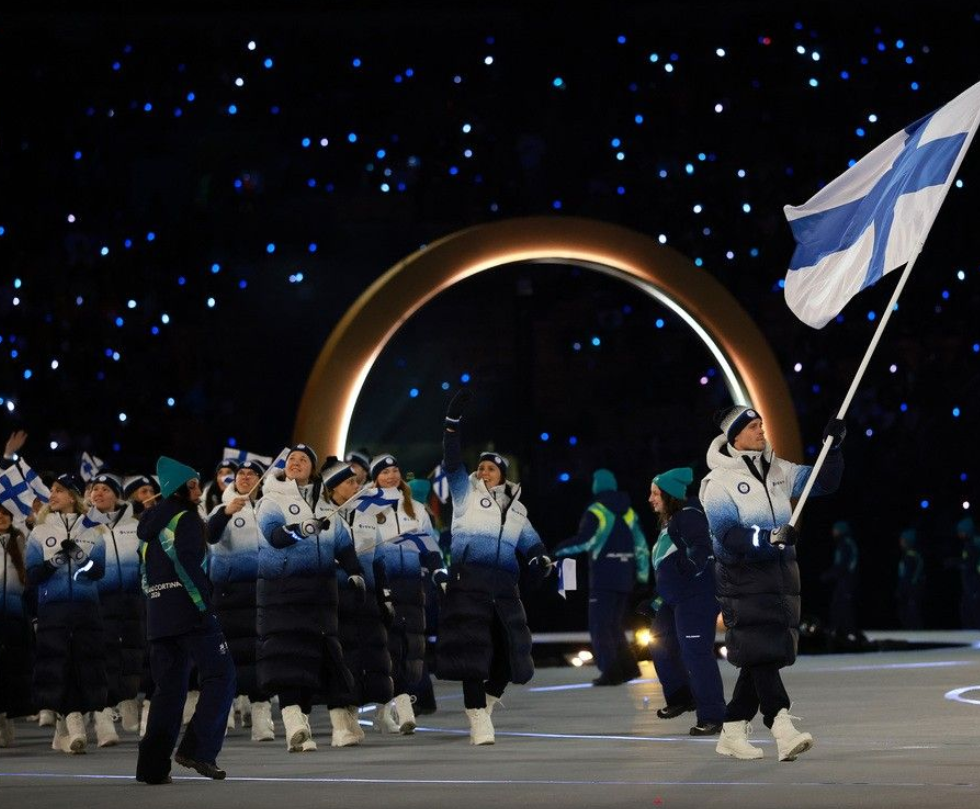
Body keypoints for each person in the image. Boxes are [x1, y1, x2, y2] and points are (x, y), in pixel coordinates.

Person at [700, 405, 845, 761]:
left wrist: (834, 447)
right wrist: (766, 538)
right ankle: (781, 725)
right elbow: (726, 534)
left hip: (781, 576)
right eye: (752, 426)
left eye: (761, 422)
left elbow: (824, 483)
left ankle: (732, 729)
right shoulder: (717, 482)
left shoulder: (780, 470)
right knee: (762, 651)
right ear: (735, 436)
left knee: (762, 653)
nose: (761, 429)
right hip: (742, 578)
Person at [436, 390, 553, 745]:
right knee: (472, 653)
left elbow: (532, 543)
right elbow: (452, 461)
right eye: (481, 466)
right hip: (469, 582)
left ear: (503, 475)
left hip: (504, 589)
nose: (484, 471)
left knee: (510, 653)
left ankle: (484, 703)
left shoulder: (518, 509)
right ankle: (477, 717)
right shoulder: (464, 492)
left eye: (492, 468)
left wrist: (539, 559)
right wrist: (452, 423)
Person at [254, 444, 366, 751]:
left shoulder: (324, 503)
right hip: (283, 595)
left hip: (320, 598)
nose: (296, 462)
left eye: (304, 459)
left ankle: (340, 730)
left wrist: (355, 572)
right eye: (292, 458)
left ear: (312, 469)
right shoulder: (271, 500)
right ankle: (294, 727)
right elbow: (275, 537)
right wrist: (301, 529)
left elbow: (342, 544)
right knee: (289, 661)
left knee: (325, 661)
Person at [136, 456, 236, 784]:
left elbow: (145, 575)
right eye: (192, 484)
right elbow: (188, 566)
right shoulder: (187, 519)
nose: (197, 490)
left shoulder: (149, 527)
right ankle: (198, 749)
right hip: (191, 614)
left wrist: (156, 608)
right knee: (221, 676)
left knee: (169, 690)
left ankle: (152, 768)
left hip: (159, 617)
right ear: (178, 489)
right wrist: (205, 606)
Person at [358, 453, 443, 735]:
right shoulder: (364, 508)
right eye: (384, 472)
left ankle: (385, 712)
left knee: (413, 649)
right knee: (390, 649)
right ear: (375, 478)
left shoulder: (416, 509)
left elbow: (429, 547)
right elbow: (364, 551)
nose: (391, 476)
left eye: (395, 470)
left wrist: (437, 570)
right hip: (383, 585)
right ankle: (404, 706)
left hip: (413, 585)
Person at [25, 473, 108, 754]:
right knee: (59, 666)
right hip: (53, 608)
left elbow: (97, 571)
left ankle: (65, 729)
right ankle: (73, 726)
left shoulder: (92, 530)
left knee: (83, 665)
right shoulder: (40, 531)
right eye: (52, 490)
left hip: (85, 608)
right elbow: (33, 575)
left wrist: (80, 558)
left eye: (58, 490)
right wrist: (57, 559)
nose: (52, 495)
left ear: (71, 496)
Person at [646, 467, 726, 736]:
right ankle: (682, 696)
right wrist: (657, 600)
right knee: (659, 643)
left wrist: (689, 565)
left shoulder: (689, 515)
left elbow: (701, 548)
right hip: (677, 598)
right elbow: (668, 566)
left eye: (655, 493)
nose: (650, 498)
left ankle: (714, 715)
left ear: (670, 496)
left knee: (696, 653)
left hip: (697, 596)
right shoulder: (671, 522)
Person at [554, 468, 649, 686]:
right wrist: (642, 577)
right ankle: (628, 668)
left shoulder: (596, 510)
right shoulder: (629, 512)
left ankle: (611, 672)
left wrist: (557, 551)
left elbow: (584, 541)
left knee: (600, 626)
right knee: (614, 625)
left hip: (604, 578)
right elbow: (641, 546)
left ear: (596, 486)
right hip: (625, 578)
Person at [205, 459, 276, 742]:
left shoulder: (270, 509)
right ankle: (226, 710)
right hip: (230, 594)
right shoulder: (220, 508)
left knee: (262, 654)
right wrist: (225, 513)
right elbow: (210, 535)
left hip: (265, 592)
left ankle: (261, 714)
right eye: (241, 474)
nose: (245, 478)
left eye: (252, 474)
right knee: (230, 655)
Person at [323, 459, 392, 744]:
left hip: (365, 598)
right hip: (334, 597)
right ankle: (339, 723)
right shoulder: (322, 515)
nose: (356, 485)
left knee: (363, 658)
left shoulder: (366, 515)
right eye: (349, 482)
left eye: (356, 481)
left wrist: (384, 596)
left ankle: (352, 716)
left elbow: (378, 561)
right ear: (333, 487)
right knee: (339, 659)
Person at [89, 472, 145, 746]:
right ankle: (103, 714)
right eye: (94, 489)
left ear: (116, 495)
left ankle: (127, 700)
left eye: (105, 489)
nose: (98, 493)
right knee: (103, 656)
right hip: (99, 601)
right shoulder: (83, 526)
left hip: (133, 599)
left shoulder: (135, 525)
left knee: (133, 654)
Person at [0, 502, 33, 748]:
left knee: (12, 671)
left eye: (6, 513)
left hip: (15, 617)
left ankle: (7, 718)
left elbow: (30, 581)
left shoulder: (21, 541)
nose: (2, 517)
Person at [819, 520, 859, 641]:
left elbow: (843, 565)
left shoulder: (846, 544)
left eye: (835, 529)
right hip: (844, 581)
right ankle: (837, 632)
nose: (833, 532)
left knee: (842, 606)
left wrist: (829, 575)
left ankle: (846, 634)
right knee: (838, 606)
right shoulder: (844, 543)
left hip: (846, 581)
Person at [896, 528, 925, 630]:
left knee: (912, 613)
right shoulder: (907, 556)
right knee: (906, 614)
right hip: (907, 589)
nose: (900, 542)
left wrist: (907, 589)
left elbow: (911, 576)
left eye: (902, 540)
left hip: (912, 590)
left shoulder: (912, 556)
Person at [954, 517, 980, 629]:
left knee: (974, 614)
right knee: (967, 613)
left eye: (961, 531)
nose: (959, 534)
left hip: (974, 586)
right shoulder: (969, 544)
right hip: (969, 586)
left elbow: (973, 565)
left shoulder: (975, 544)